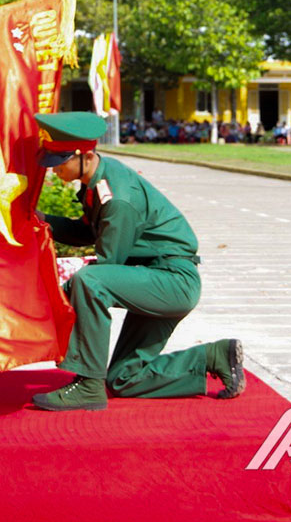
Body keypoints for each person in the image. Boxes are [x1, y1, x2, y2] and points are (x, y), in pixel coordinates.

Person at [29, 112, 244, 411]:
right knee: (124, 379)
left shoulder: (117, 199)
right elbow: (86, 232)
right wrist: (43, 221)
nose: (54, 171)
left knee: (87, 283)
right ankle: (214, 356)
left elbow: (105, 270)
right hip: (153, 276)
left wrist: (57, 295)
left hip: (172, 281)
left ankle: (88, 385)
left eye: (59, 162)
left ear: (85, 155)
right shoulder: (101, 181)